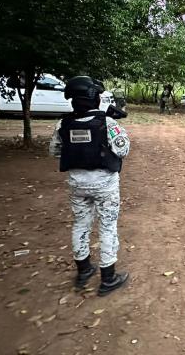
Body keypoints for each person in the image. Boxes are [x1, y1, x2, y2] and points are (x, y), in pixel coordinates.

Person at [49, 76, 131, 297]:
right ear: (95, 98)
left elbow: (55, 151)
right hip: (105, 185)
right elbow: (123, 151)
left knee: (80, 224)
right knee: (107, 227)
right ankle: (108, 278)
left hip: (77, 184)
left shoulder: (62, 124)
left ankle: (84, 270)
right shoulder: (108, 123)